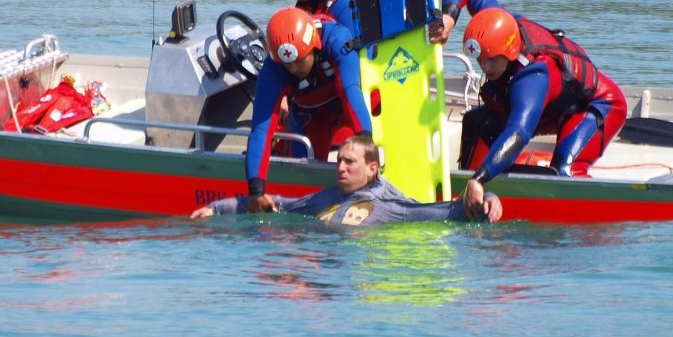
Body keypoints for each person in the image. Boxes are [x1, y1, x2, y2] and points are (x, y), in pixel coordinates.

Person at [428, 0, 627, 198]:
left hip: (598, 105)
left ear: (509, 51)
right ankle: (466, 190)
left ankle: (581, 201)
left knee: (565, 171)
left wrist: (480, 178)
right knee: (478, 122)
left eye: (492, 59)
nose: (485, 66)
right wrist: (449, 18)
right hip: (554, 103)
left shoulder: (533, 77)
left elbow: (518, 133)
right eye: (481, 59)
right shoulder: (498, 21)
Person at [193, 135, 502, 225]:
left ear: (372, 168)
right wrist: (216, 209)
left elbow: (447, 211)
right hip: (320, 264)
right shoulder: (326, 198)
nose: (340, 168)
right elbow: (274, 205)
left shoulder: (390, 205)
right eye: (338, 160)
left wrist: (489, 200)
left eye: (349, 162)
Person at [244, 7, 372, 213]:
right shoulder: (274, 68)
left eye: (299, 61)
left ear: (314, 46)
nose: (294, 69)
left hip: (349, 110)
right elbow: (261, 129)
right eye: (287, 65)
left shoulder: (337, 40)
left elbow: (351, 91)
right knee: (304, 179)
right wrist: (255, 190)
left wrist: (366, 144)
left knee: (358, 159)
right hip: (311, 118)